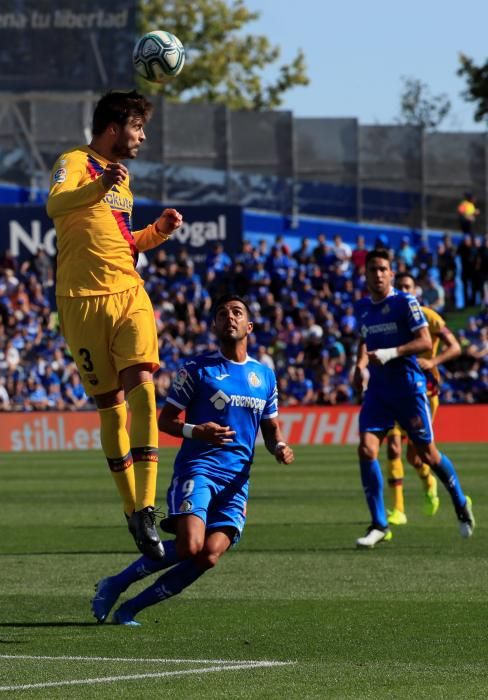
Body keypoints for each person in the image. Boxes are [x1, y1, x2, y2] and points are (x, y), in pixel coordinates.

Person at [90, 294, 294, 625]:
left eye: (237, 312)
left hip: (236, 481)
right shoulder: (197, 370)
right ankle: (116, 583)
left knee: (210, 554)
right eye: (222, 313)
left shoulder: (264, 376)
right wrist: (197, 430)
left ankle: (130, 609)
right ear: (214, 325)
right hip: (199, 470)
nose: (230, 317)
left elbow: (270, 431)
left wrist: (280, 446)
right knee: (189, 546)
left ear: (249, 326)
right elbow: (164, 420)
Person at [46, 90, 183, 559]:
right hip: (81, 303)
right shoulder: (75, 162)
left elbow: (127, 244)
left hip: (129, 294)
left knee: (143, 389)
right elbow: (56, 206)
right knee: (112, 409)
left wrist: (159, 230)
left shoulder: (124, 183)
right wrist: (99, 186)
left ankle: (146, 505)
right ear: (114, 127)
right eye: (137, 127)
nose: (142, 136)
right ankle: (133, 511)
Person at [352, 249, 474, 548]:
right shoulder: (363, 309)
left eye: (383, 269)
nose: (378, 274)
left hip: (408, 389)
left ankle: (460, 502)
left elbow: (422, 340)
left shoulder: (406, 303)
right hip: (379, 392)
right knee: (367, 450)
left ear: (391, 274)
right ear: (365, 275)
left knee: (427, 455)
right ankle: (380, 523)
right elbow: (365, 340)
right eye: (373, 270)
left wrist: (391, 353)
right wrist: (360, 365)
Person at [385, 272, 461, 526]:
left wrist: (433, 361)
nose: (405, 290)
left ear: (416, 291)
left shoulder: (430, 317)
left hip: (425, 392)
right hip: (396, 389)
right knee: (393, 447)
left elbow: (456, 347)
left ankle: (429, 481)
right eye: (402, 287)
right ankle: (398, 509)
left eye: (409, 286)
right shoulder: (393, 317)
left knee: (416, 456)